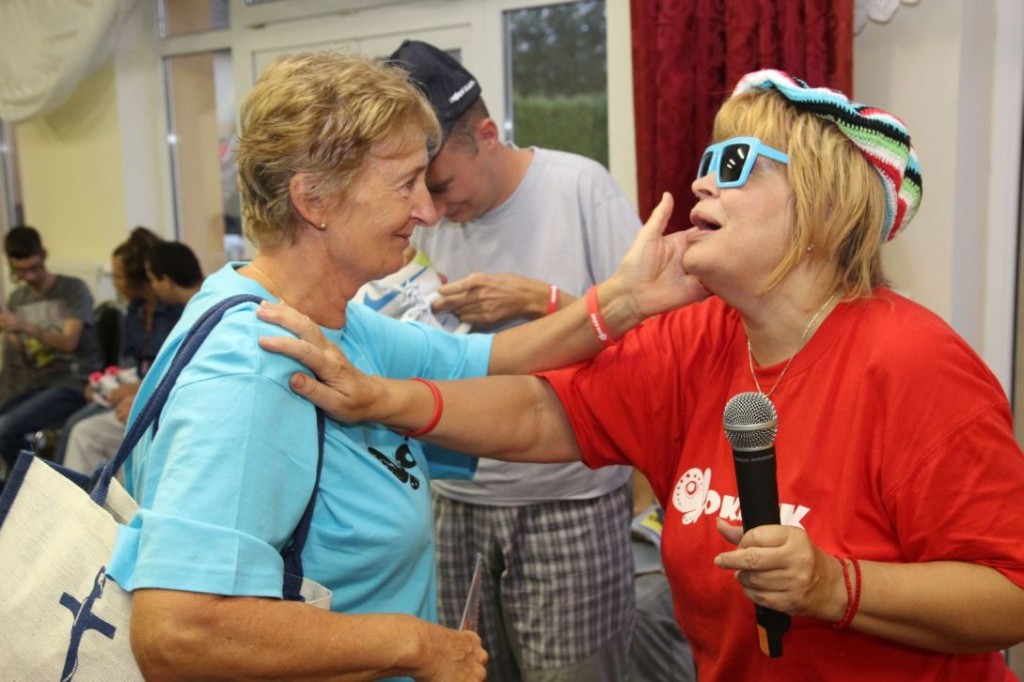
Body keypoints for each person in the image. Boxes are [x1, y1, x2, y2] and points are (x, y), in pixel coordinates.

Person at [260, 69, 1024, 681]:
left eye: (732, 165)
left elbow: (1011, 592)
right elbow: (542, 413)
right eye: (705, 164)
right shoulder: (698, 339)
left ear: (824, 203)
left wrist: (837, 587)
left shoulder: (914, 362)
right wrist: (379, 399)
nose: (701, 185)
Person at [107, 51, 699, 681]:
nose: (428, 211)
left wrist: (624, 300)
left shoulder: (335, 324)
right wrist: (415, 645)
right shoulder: (254, 368)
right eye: (405, 185)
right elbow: (178, 631)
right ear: (315, 199)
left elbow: (492, 358)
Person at [388, 39, 642, 681]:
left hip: (569, 497)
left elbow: (653, 339)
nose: (433, 212)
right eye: (417, 191)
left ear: (486, 136)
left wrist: (537, 299)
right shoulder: (424, 219)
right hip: (453, 497)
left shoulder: (580, 187)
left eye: (441, 185)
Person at [56, 232, 192, 474]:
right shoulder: (134, 313)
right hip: (134, 388)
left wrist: (138, 390)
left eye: (119, 276)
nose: (115, 283)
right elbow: (129, 363)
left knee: (78, 428)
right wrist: (105, 385)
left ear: (140, 279)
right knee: (79, 426)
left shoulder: (178, 314)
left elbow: (175, 370)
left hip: (154, 392)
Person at [0, 226, 100, 474]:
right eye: (20, 271)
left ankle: (35, 481)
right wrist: (11, 337)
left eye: (33, 268)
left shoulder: (72, 289)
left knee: (5, 428)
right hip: (37, 384)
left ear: (43, 255)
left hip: (73, 381)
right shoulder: (17, 298)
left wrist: (24, 326)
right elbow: (21, 357)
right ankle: (24, 479)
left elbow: (69, 342)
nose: (28, 276)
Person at [144, 240, 204, 307]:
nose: (152, 286)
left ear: (167, 281)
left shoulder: (195, 310)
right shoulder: (209, 297)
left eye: (151, 279)